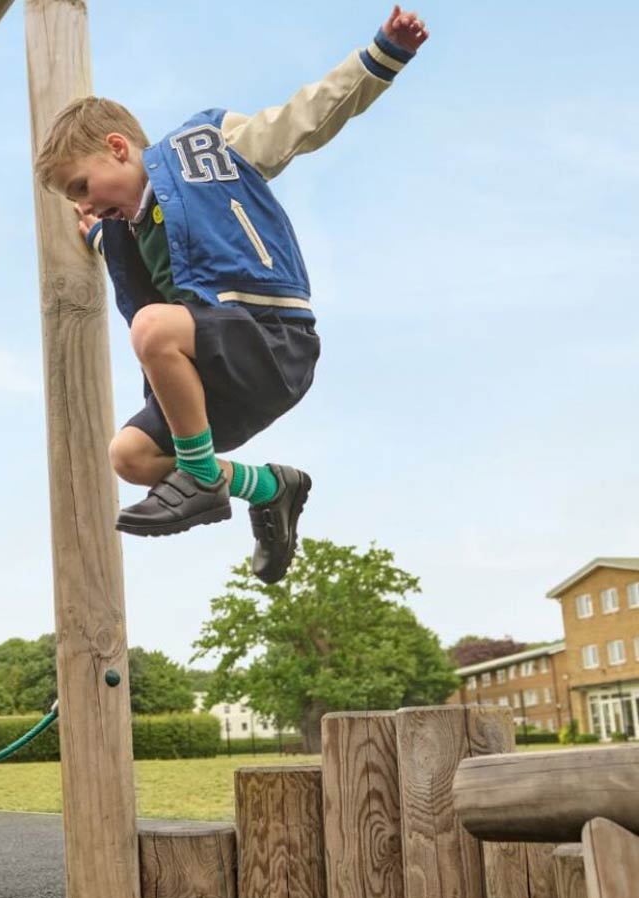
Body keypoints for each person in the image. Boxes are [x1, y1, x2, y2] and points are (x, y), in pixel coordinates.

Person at [35, 7, 428, 584]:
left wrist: (380, 56)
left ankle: (198, 477)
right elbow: (145, 248)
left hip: (270, 336)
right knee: (130, 456)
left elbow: (303, 118)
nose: (87, 206)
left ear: (118, 148)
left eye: (82, 189)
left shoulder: (207, 150)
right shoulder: (121, 229)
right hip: (217, 380)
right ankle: (272, 488)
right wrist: (98, 231)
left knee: (152, 327)